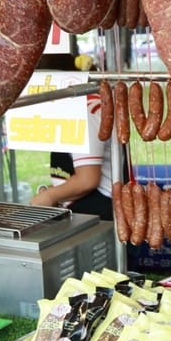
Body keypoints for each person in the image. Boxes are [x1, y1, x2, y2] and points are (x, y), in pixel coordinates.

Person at [30, 53, 114, 220]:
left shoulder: (85, 110)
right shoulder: (66, 107)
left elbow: (88, 180)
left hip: (98, 210)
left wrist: (49, 197)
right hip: (79, 206)